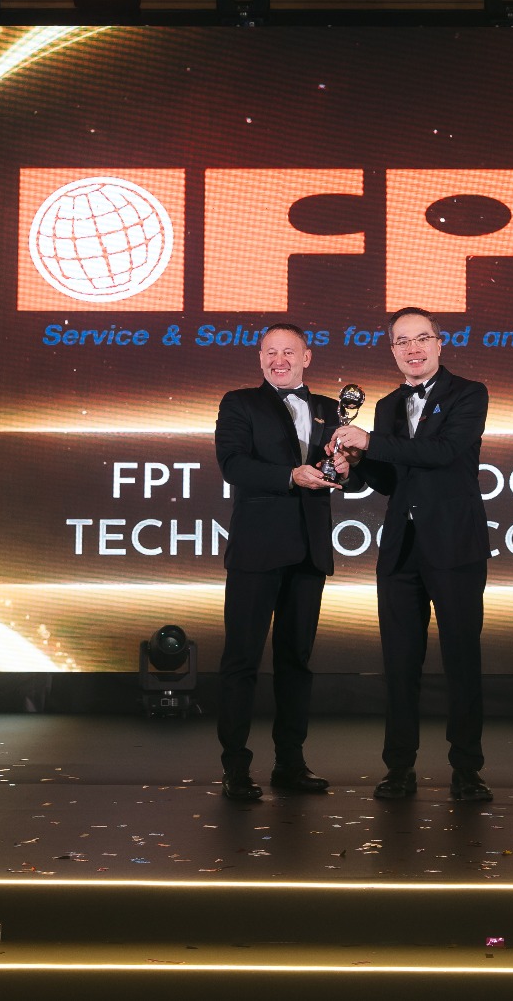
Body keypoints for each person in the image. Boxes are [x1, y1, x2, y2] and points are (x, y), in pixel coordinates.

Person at [332, 307, 493, 802]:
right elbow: (390, 478)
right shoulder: (387, 406)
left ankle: (467, 770)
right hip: (401, 549)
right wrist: (355, 464)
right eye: (402, 341)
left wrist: (372, 441)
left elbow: (443, 452)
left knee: (461, 660)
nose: (413, 348)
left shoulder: (469, 393)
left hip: (455, 545)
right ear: (393, 351)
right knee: (400, 664)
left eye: (422, 338)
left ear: (440, 344)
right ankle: (399, 768)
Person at [214, 323, 346, 800]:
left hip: (309, 552)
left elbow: (346, 472)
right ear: (260, 359)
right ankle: (236, 767)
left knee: (296, 662)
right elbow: (233, 464)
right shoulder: (239, 403)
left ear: (306, 357)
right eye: (270, 352)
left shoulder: (331, 409)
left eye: (288, 351)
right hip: (257, 550)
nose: (279, 360)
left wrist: (349, 467)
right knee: (242, 660)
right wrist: (291, 475)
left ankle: (291, 763)